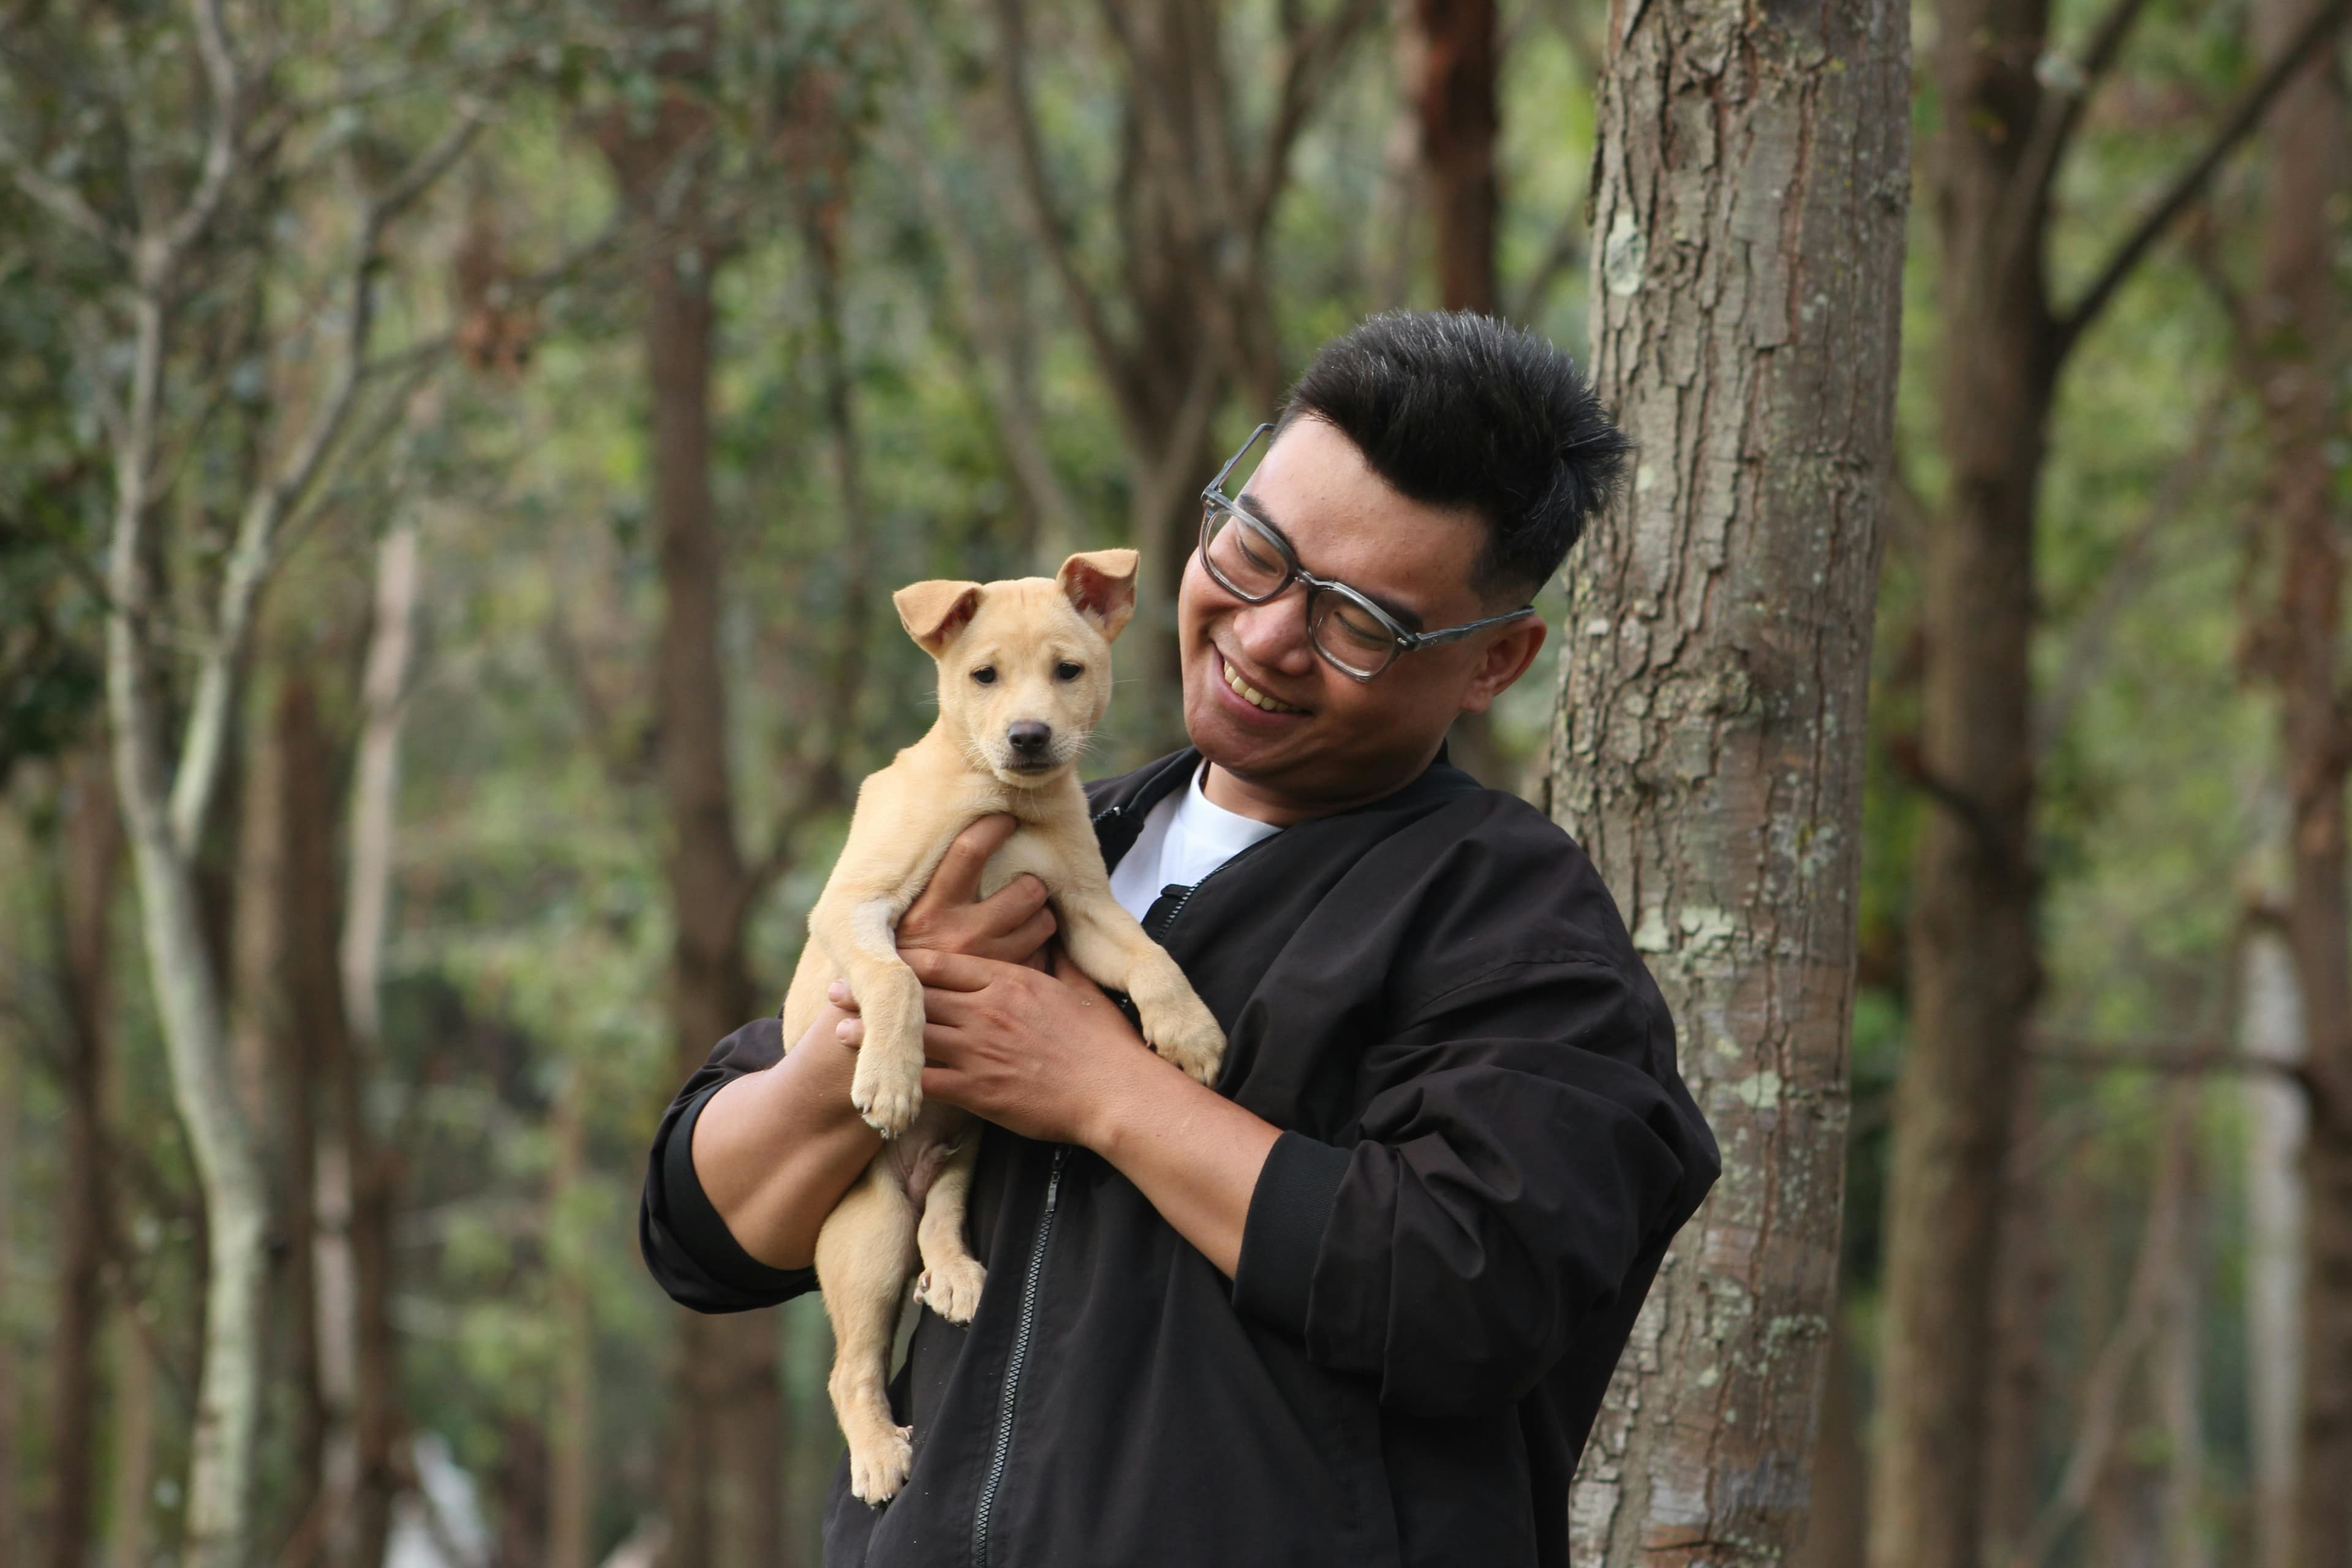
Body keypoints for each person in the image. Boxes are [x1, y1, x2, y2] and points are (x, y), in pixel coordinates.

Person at [639, 310, 1719, 1567]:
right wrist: (873, 1036)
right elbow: (701, 1231)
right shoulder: (1029, 833)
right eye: (1254, 547)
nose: (1263, 633)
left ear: (1496, 662)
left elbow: (1466, 1293)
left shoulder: (1514, 925)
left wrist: (1097, 1083)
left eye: (1360, 622)